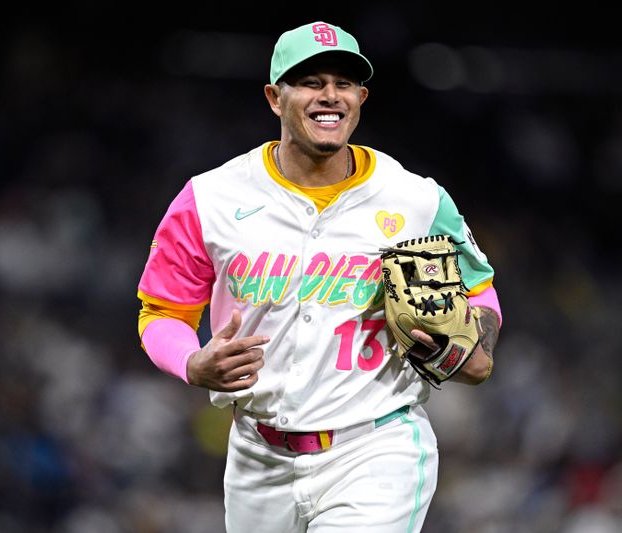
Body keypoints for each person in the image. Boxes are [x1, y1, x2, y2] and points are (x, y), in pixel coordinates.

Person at [136, 20, 502, 533]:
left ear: (360, 97)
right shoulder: (210, 198)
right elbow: (162, 312)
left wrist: (472, 343)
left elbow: (481, 291)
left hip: (375, 446)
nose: (329, 95)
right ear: (274, 97)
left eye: (343, 83)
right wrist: (191, 362)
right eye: (310, 82)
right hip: (255, 456)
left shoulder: (416, 200)